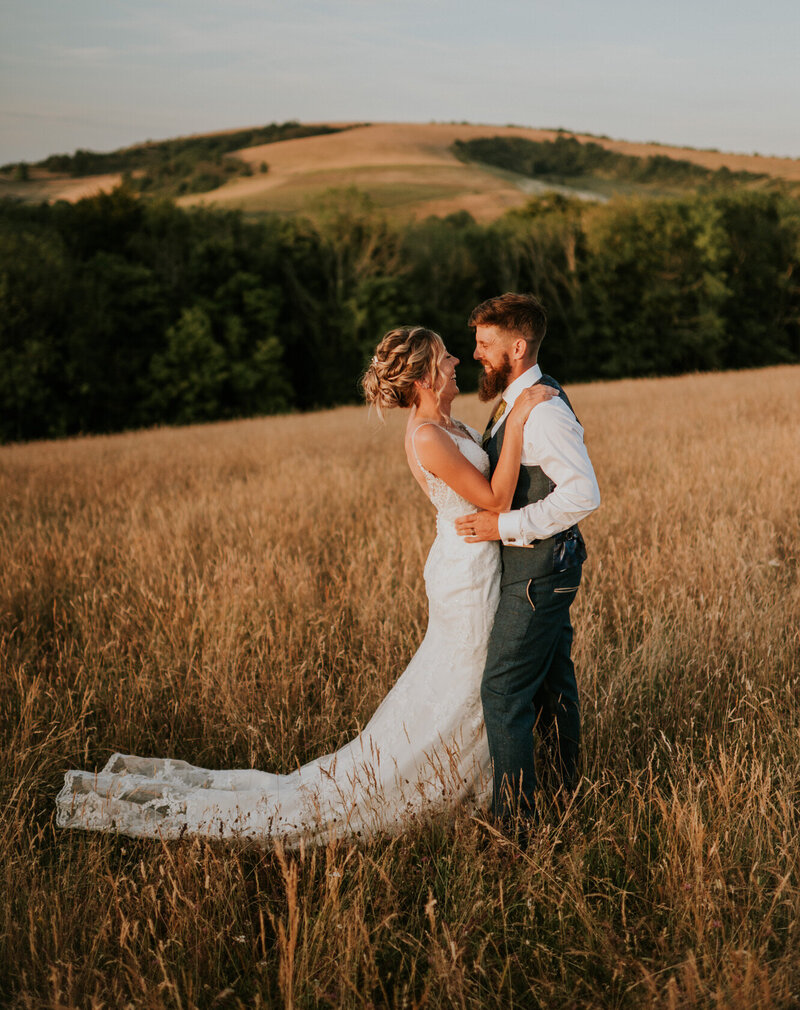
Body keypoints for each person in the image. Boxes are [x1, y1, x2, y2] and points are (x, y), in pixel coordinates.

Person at [56, 326, 555, 845]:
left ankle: (483, 782)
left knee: (468, 681)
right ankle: (449, 788)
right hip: (464, 572)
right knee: (470, 679)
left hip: (475, 560)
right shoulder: (426, 435)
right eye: (446, 356)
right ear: (426, 374)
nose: (457, 361)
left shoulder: (448, 423)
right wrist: (520, 416)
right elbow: (495, 500)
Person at [455, 294, 601, 837]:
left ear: (517, 347)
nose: (476, 353)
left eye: (485, 344)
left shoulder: (543, 410)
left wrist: (504, 527)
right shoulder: (517, 400)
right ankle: (567, 790)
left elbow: (584, 494)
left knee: (503, 690)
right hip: (541, 569)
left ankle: (516, 827)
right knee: (552, 683)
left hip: (539, 571)